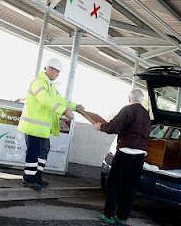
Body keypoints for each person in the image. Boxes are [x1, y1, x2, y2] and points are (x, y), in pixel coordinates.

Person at [18, 58, 84, 191]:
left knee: (43, 152)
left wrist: (75, 106)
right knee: (33, 153)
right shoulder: (39, 83)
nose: (58, 74)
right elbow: (45, 100)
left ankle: (37, 176)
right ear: (50, 69)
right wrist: (63, 111)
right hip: (33, 128)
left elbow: (60, 100)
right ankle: (28, 179)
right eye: (57, 71)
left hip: (42, 129)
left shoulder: (50, 85)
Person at [94, 89, 151, 225]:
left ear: (129, 98)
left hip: (125, 152)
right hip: (140, 155)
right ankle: (122, 218)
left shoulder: (127, 110)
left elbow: (114, 127)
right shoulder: (146, 114)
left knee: (114, 184)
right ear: (142, 100)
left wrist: (100, 126)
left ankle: (109, 215)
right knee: (130, 187)